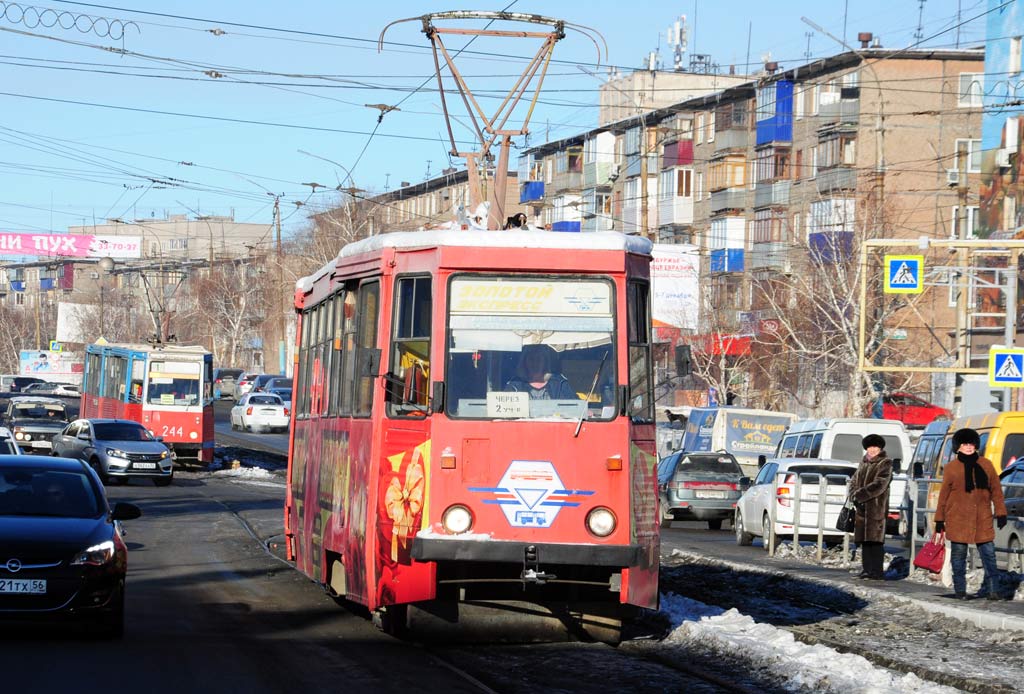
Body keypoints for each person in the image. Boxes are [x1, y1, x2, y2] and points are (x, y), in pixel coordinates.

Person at [934, 427, 1007, 600]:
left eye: (971, 443)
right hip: (957, 518)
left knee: (989, 555)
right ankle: (960, 590)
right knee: (959, 557)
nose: (968, 447)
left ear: (976, 446)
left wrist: (1001, 511)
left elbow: (996, 490)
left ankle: (993, 590)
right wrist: (939, 519)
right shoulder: (951, 468)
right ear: (957, 447)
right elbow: (943, 495)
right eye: (964, 444)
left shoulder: (986, 464)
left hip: (982, 517)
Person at [847, 433, 892, 580]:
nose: (872, 450)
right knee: (864, 540)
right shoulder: (864, 462)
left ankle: (877, 571)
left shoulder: (885, 463)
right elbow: (854, 480)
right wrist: (854, 494)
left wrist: (860, 494)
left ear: (880, 448)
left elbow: (880, 484)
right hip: (861, 508)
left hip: (876, 507)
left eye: (875, 447)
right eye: (869, 447)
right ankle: (867, 569)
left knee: (876, 541)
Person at [505, 345, 577, 400]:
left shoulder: (559, 384)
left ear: (545, 362)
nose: (535, 363)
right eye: (531, 359)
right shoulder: (514, 385)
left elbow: (575, 408)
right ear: (524, 362)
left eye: (539, 359)